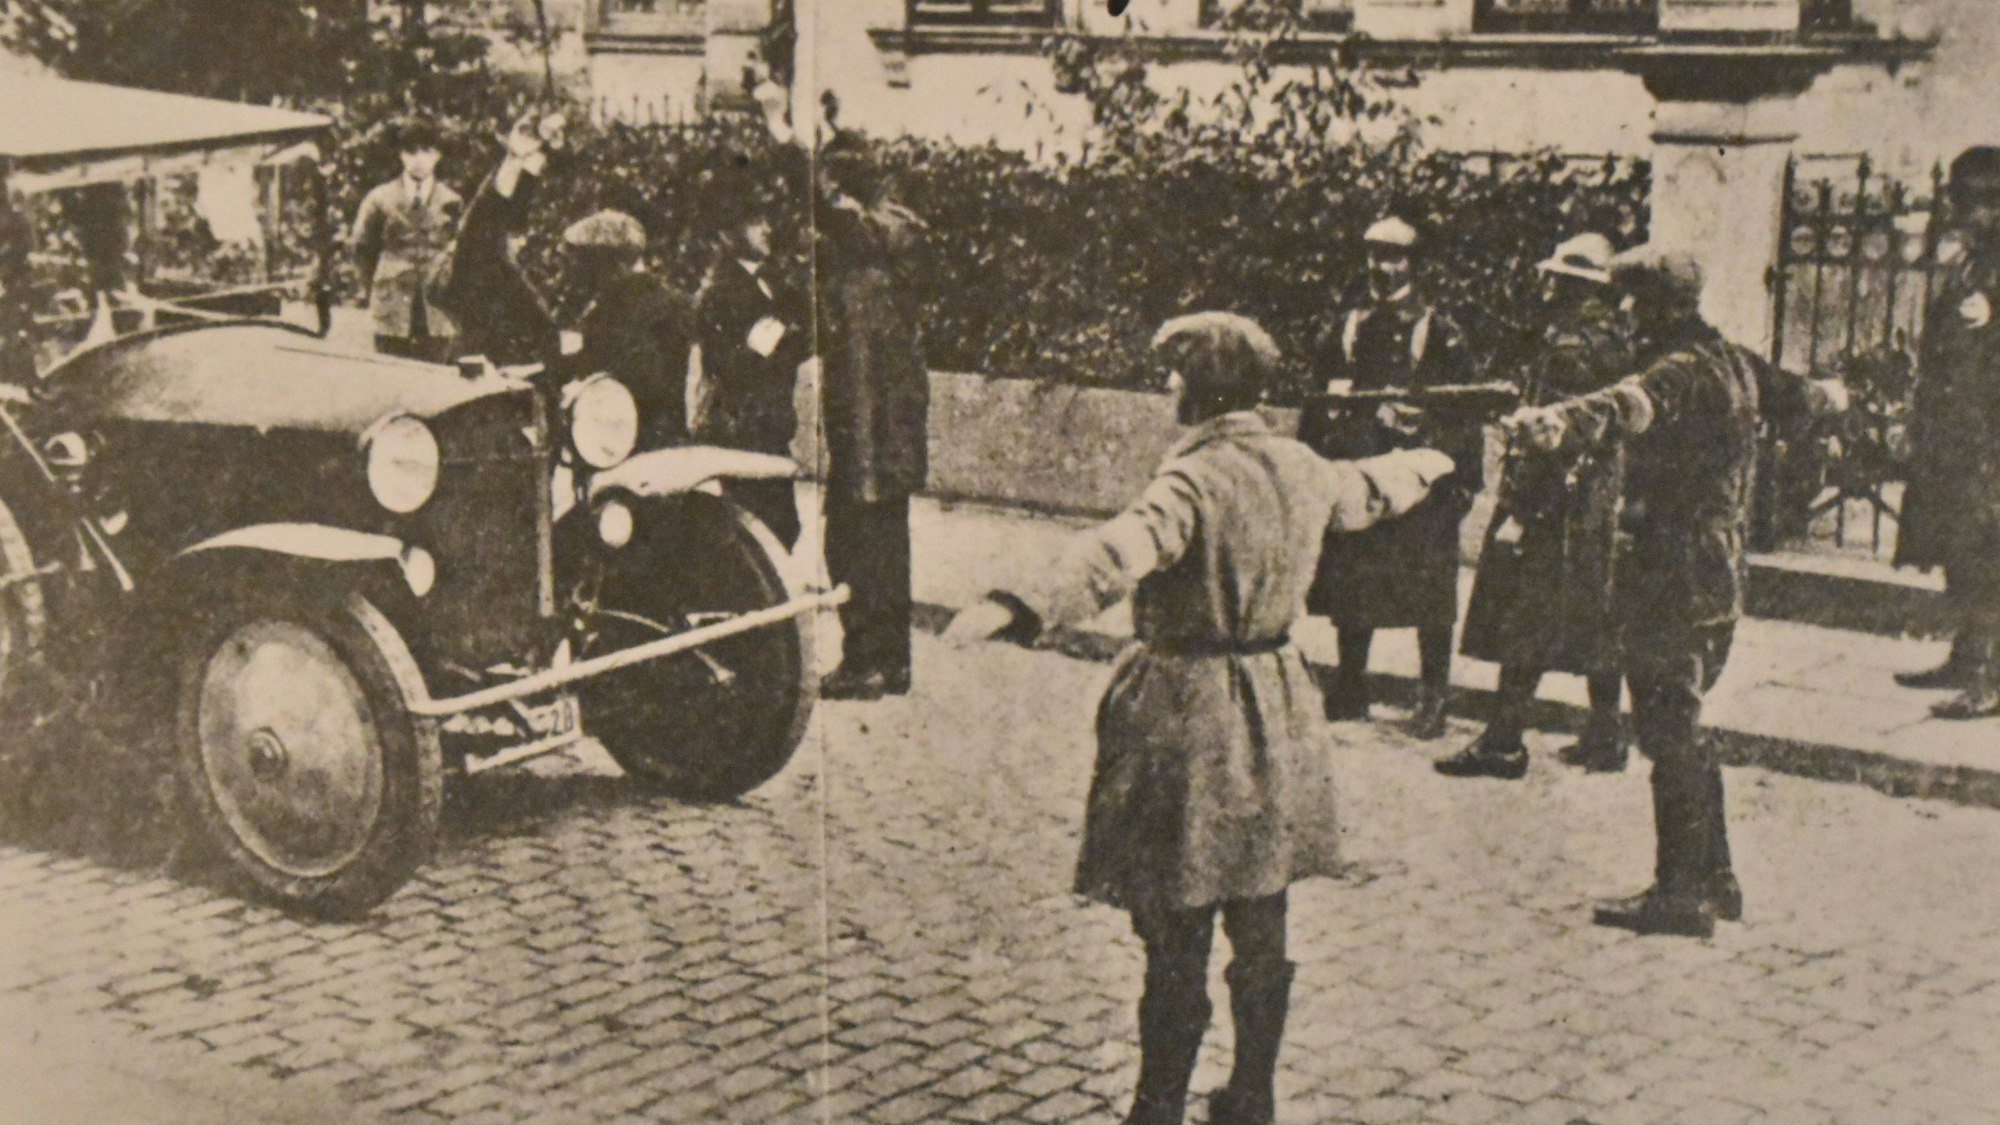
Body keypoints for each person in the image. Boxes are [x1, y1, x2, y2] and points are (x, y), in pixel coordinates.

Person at [946, 312, 1455, 1125]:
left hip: (1189, 712)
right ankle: (1253, 1094)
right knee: (1263, 911)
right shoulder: (1301, 465)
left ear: (1206, 387)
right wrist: (1428, 462)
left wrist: (1021, 603)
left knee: (1176, 922)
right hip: (1278, 703)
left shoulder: (1192, 480)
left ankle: (1156, 1107)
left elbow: (1120, 549)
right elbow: (1367, 491)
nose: (1168, 386)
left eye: (1176, 373)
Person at [1502, 246, 1845, 938]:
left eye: (1624, 303)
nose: (1619, 318)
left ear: (1644, 306)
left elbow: (1630, 404)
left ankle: (1680, 892)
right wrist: (1834, 397)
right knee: (1682, 716)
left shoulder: (1677, 370)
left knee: (1667, 724)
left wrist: (1556, 421)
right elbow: (1807, 401)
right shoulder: (1733, 359)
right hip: (1715, 563)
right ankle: (1716, 877)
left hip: (1670, 567)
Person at [1440, 233, 1632, 779]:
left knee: (1525, 619)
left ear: (1571, 286)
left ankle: (1503, 743)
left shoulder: (1568, 347)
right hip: (1595, 502)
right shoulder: (1617, 338)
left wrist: (1521, 507)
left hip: (1553, 501)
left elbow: (1550, 435)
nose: (1545, 286)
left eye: (1555, 279)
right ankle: (1607, 733)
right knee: (1599, 615)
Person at [1301, 216, 1485, 739]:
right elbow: (1320, 399)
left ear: (1415, 264)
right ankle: (1351, 687)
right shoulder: (1348, 326)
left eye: (1395, 256)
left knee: (1429, 589)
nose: (1383, 267)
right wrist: (1312, 464)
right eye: (1375, 255)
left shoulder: (1440, 334)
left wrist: (1460, 481)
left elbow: (1463, 412)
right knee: (1353, 578)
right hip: (1360, 473)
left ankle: (1433, 698)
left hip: (1420, 479)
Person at [815, 135, 931, 701]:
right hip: (891, 426)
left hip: (865, 427)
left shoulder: (864, 245)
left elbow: (843, 223)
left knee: (850, 540)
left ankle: (865, 660)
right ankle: (894, 659)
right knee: (889, 540)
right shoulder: (897, 239)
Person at [1894, 145, 2000, 719]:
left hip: (1991, 438)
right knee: (1962, 550)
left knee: (1992, 554)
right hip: (1957, 433)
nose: (1958, 212)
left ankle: (1995, 679)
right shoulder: (1973, 261)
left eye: (1969, 203)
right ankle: (1967, 656)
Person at [690, 166, 810, 549]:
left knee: (783, 527)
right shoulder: (720, 293)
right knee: (755, 532)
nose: (766, 229)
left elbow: (805, 335)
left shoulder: (775, 282)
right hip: (741, 434)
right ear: (728, 233)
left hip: (773, 427)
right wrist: (765, 347)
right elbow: (725, 366)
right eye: (753, 222)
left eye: (764, 219)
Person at [436, 109, 569, 366]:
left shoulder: (522, 274)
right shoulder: (478, 262)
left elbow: (516, 201)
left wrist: (530, 159)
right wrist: (514, 158)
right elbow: (486, 212)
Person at [559, 209, 696, 450]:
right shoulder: (673, 302)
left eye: (587, 263)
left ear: (612, 263)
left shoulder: (615, 311)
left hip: (627, 444)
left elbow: (635, 376)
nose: (582, 274)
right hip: (666, 439)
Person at [350, 116, 462, 362]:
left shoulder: (452, 201)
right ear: (401, 156)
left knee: (437, 375)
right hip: (392, 304)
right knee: (392, 372)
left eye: (427, 151)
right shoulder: (380, 198)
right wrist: (378, 286)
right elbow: (361, 248)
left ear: (438, 155)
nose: (419, 160)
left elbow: (462, 253)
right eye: (411, 152)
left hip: (436, 307)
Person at [0, 166, 34, 382]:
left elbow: (24, 245)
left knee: (16, 329)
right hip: (10, 281)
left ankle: (26, 379)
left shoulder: (16, 219)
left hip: (12, 280)